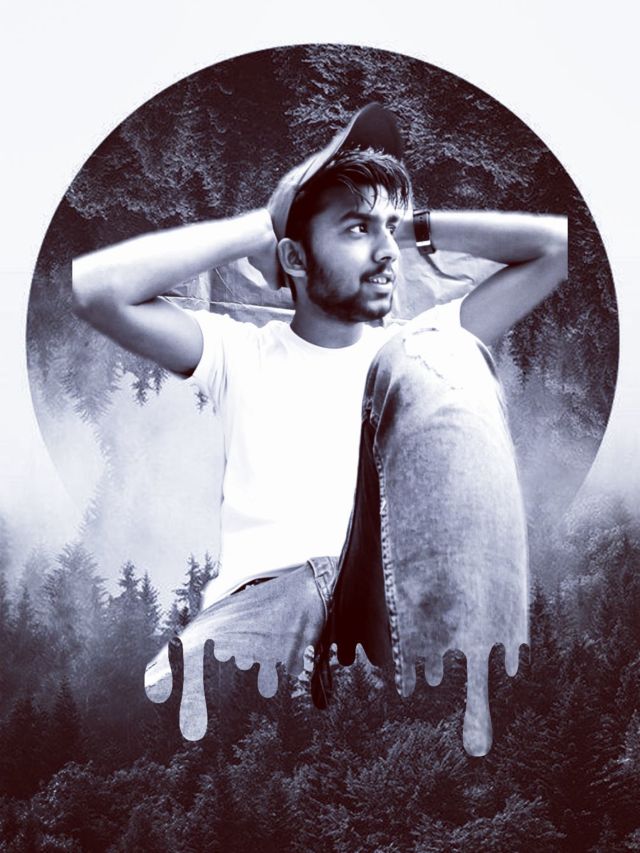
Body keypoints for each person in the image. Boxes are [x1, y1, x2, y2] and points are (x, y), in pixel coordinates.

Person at [72, 104, 567, 755]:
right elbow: (96, 291)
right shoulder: (240, 353)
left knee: (439, 357)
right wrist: (260, 227)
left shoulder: (417, 346)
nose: (386, 252)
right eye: (357, 228)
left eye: (388, 229)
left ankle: (472, 673)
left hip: (384, 607)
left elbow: (555, 249)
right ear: (295, 258)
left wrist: (411, 227)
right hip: (268, 613)